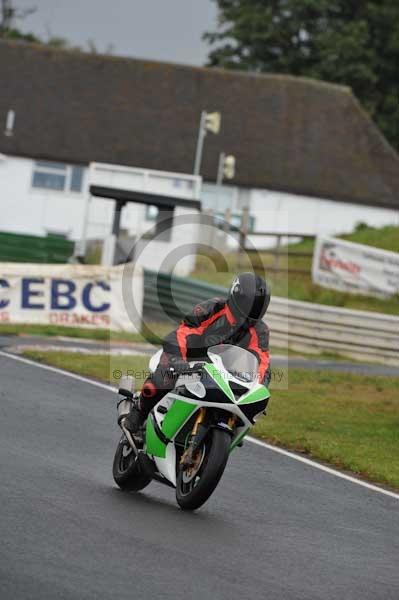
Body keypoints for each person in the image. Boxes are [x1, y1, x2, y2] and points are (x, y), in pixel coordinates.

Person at [124, 272, 271, 434]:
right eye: (250, 305)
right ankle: (139, 412)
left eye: (257, 307)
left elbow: (261, 359)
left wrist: (258, 384)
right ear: (236, 295)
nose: (252, 311)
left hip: (224, 374)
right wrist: (177, 358)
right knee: (162, 379)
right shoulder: (213, 308)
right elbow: (183, 332)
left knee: (246, 412)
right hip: (189, 360)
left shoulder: (260, 330)